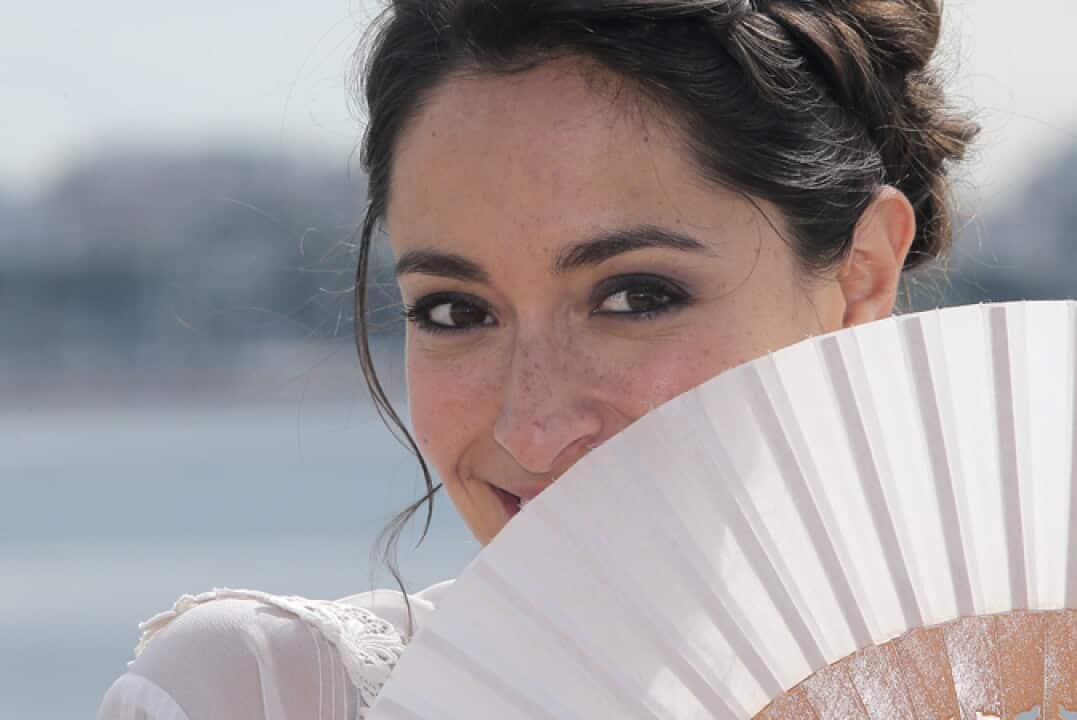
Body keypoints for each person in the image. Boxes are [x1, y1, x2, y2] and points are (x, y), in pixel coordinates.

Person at [97, 0, 976, 717]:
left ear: (860, 278)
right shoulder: (264, 694)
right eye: (456, 310)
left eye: (635, 297)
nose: (532, 425)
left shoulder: (1052, 677)